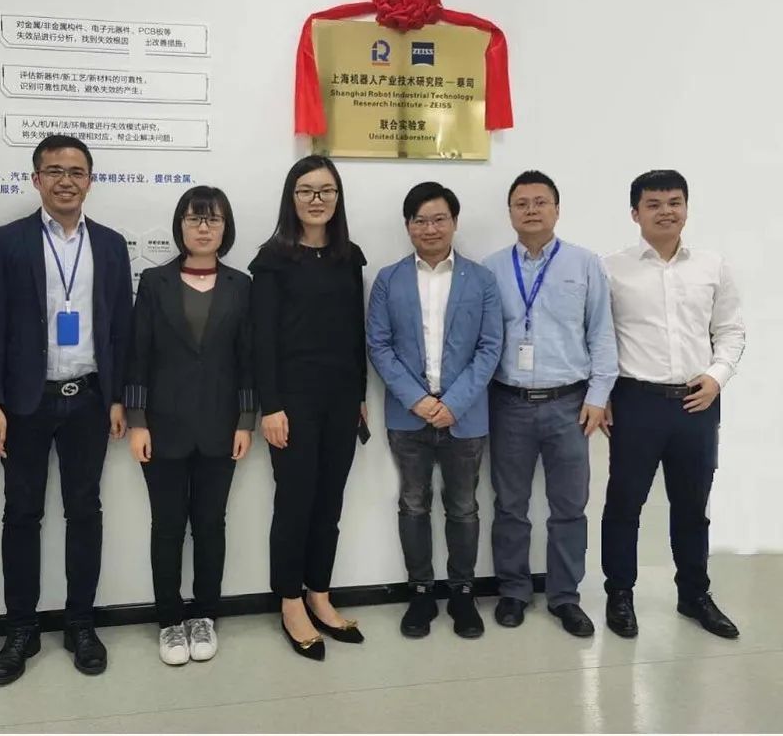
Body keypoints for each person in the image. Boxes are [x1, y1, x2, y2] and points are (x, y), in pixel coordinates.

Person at [0, 134, 132, 684]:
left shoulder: (110, 245)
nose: (66, 180)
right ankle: (21, 629)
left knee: (84, 511)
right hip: (25, 403)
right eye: (54, 171)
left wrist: (118, 397)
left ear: (90, 180)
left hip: (88, 399)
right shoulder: (7, 242)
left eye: (76, 171)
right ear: (36, 179)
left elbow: (120, 327)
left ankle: (80, 624)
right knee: (21, 514)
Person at [601, 170, 745, 640]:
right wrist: (601, 395)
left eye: (674, 202)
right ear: (635, 213)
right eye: (654, 204)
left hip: (697, 403)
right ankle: (620, 594)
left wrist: (716, 377)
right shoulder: (611, 269)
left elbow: (730, 331)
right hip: (635, 402)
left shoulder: (712, 266)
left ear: (686, 207)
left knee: (692, 506)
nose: (666, 211)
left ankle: (694, 595)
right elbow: (598, 337)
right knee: (625, 504)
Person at [124, 186, 256, 666]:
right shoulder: (154, 281)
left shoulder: (241, 285)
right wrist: (137, 420)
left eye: (213, 219)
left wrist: (246, 420)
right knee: (167, 526)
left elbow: (248, 359)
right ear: (180, 225)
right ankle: (168, 620)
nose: (203, 228)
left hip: (222, 426)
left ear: (226, 228)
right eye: (194, 218)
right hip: (162, 427)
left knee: (210, 524)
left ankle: (205, 615)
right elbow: (138, 353)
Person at [484, 170, 618, 637]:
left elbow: (602, 333)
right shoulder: (491, 269)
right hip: (508, 402)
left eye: (540, 202)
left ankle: (565, 597)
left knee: (569, 506)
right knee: (510, 504)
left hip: (570, 403)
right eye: (521, 203)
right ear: (510, 213)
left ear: (557, 209)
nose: (531, 210)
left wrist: (599, 396)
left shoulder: (585, 264)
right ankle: (514, 591)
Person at [367, 182, 503, 640]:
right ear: (408, 226)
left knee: (464, 506)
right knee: (412, 503)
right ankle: (421, 592)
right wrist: (418, 400)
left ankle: (463, 592)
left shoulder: (480, 279)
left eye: (439, 219)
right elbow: (379, 345)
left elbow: (490, 346)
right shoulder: (389, 280)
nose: (430, 228)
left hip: (465, 417)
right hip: (409, 416)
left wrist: (454, 403)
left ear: (454, 222)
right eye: (420, 220)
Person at [249, 154, 368, 662]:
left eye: (326, 190)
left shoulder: (349, 257)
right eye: (306, 191)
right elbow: (261, 340)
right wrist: (270, 406)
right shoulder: (273, 258)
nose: (317, 200)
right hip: (292, 403)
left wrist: (360, 395)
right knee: (295, 504)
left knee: (329, 503)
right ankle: (290, 601)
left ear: (337, 197)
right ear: (291, 198)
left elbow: (355, 332)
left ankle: (319, 592)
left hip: (341, 400)